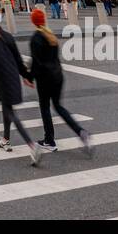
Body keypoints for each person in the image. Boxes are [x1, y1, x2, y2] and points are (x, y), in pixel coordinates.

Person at [28, 9, 93, 154]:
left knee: (45, 108)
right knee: (58, 107)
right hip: (58, 76)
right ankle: (80, 132)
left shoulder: (36, 38)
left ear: (33, 21)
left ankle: (49, 141)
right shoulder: (50, 36)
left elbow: (36, 63)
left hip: (45, 79)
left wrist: (29, 78)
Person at [0, 10, 39, 165]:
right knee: (7, 109)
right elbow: (19, 60)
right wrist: (26, 76)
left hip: (2, 81)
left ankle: (32, 144)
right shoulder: (8, 37)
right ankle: (6, 139)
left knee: (10, 112)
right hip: (12, 78)